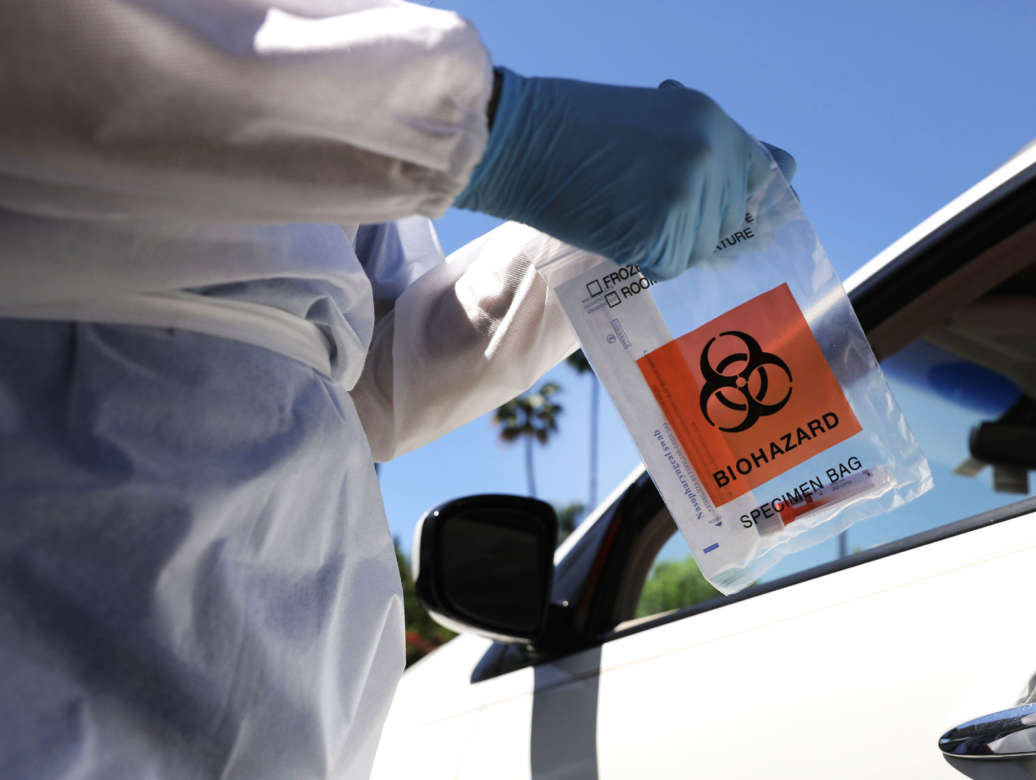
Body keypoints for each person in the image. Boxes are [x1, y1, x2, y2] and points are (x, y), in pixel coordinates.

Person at [0, 2, 794, 777]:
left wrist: (584, 248)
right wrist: (498, 132)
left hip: (303, 638)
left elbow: (369, 377)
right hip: (66, 492)